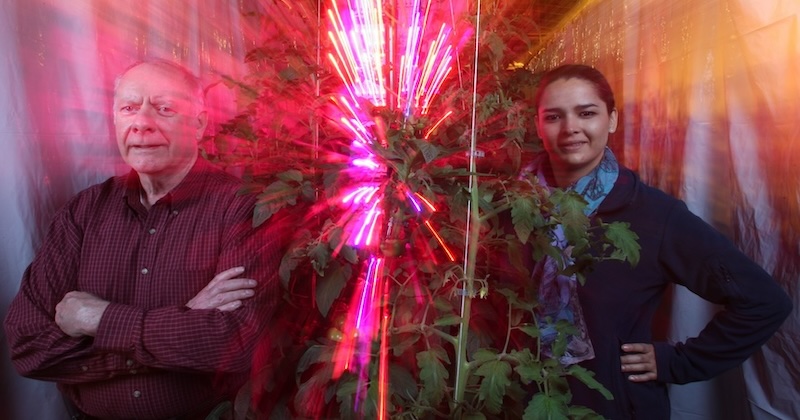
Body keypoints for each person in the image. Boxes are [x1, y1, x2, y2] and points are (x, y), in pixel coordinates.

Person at [4, 59, 285, 419]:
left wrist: (100, 320)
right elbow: (28, 346)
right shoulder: (84, 211)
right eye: (129, 108)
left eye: (164, 108)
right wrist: (184, 318)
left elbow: (236, 343)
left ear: (199, 124)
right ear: (116, 120)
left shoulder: (243, 208)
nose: (142, 123)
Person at [523, 63, 793, 419]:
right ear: (538, 125)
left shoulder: (652, 214)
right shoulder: (510, 208)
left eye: (586, 113)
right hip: (524, 402)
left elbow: (764, 301)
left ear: (612, 120)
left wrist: (677, 362)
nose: (571, 128)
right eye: (554, 116)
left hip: (615, 409)